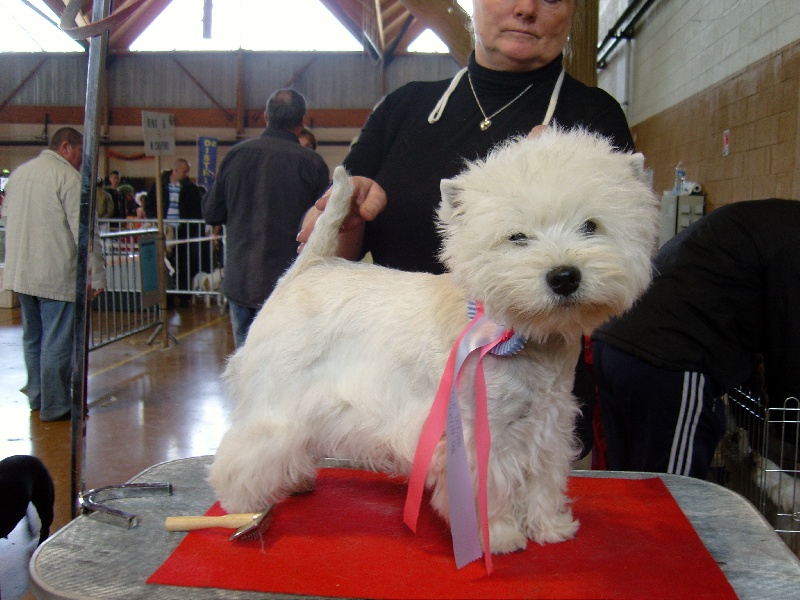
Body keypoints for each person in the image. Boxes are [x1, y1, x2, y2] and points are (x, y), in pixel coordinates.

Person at [297, 0, 633, 457]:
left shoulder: (592, 118)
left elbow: (612, 262)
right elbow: (333, 258)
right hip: (385, 393)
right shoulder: (403, 107)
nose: (527, 8)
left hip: (526, 413)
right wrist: (345, 218)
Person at [592, 199, 800, 479]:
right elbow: (788, 342)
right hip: (669, 357)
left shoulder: (769, 221)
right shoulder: (790, 241)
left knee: (631, 482)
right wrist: (788, 434)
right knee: (674, 489)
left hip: (615, 343)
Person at [203, 89, 330, 348]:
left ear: (265, 116)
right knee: (288, 366)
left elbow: (212, 213)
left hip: (241, 282)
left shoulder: (235, 156)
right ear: (303, 120)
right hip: (289, 287)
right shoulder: (312, 164)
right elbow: (323, 228)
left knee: (246, 364)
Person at [2, 127, 105, 421]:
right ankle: (56, 405)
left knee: (32, 338)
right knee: (57, 342)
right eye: (80, 151)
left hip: (21, 273)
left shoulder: (19, 175)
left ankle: (37, 395)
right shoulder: (69, 179)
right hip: (54, 275)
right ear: (65, 148)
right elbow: (84, 232)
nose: (81, 160)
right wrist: (96, 276)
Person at [145, 158, 206, 300]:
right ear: (176, 170)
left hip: (182, 231)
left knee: (183, 264)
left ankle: (184, 297)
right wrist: (154, 219)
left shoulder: (191, 188)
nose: (186, 174)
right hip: (164, 231)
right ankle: (167, 298)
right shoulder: (159, 185)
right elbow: (149, 204)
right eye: (184, 171)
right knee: (165, 265)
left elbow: (197, 210)